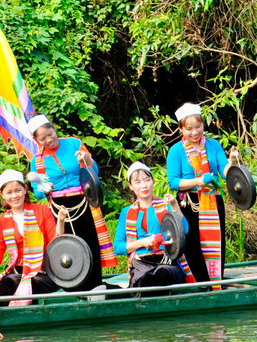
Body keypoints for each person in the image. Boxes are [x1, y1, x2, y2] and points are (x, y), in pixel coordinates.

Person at [26, 114, 118, 290]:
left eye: (50, 133)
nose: (48, 140)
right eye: (42, 138)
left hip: (84, 201)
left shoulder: (74, 143)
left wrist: (86, 157)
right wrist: (45, 189)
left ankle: (95, 285)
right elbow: (37, 193)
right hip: (58, 207)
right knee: (65, 246)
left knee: (90, 241)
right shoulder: (36, 161)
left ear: (54, 129)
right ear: (36, 140)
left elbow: (94, 171)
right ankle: (70, 286)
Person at [166, 103, 238, 289]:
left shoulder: (213, 145)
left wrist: (233, 162)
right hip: (189, 203)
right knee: (191, 244)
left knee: (214, 243)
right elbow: (174, 182)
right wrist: (198, 181)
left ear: (203, 125)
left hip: (213, 201)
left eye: (198, 126)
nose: (194, 132)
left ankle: (216, 282)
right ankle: (198, 284)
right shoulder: (176, 151)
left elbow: (224, 171)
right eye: (189, 129)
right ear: (181, 129)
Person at [0, 169, 67, 306]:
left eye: (18, 190)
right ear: (2, 195)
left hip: (43, 272)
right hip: (17, 272)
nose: (14, 196)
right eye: (9, 192)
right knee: (8, 283)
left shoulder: (42, 211)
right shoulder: (1, 222)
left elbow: (56, 245)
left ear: (25, 189)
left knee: (32, 284)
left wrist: (61, 220)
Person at [114, 162, 195, 291]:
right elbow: (118, 247)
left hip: (166, 261)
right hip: (141, 263)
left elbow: (184, 229)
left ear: (152, 181)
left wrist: (174, 205)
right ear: (130, 186)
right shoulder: (126, 212)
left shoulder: (166, 205)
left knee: (163, 273)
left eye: (147, 180)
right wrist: (142, 243)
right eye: (138, 182)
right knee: (144, 278)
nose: (144, 185)